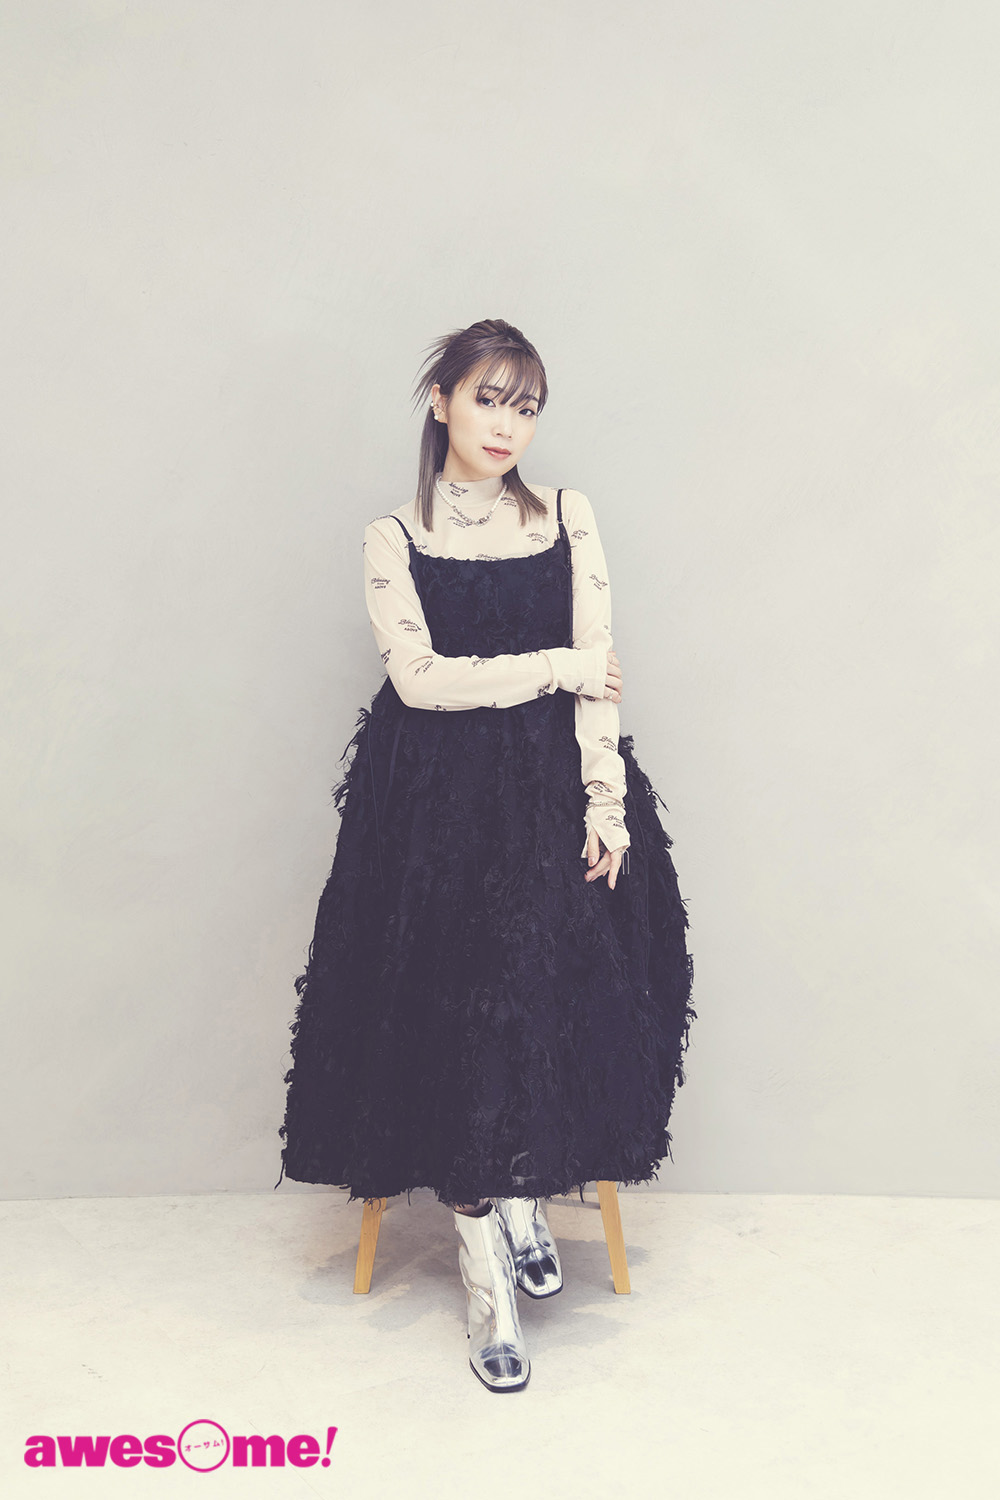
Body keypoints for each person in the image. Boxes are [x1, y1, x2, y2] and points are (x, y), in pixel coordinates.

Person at [274, 318, 695, 1392]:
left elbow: (602, 677)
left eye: (526, 407)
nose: (507, 425)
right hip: (430, 807)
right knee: (459, 995)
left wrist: (605, 804)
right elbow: (420, 683)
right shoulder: (391, 536)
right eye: (488, 399)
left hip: (549, 792)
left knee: (534, 987)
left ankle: (516, 1190)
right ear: (442, 402)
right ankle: (487, 1275)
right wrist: (556, 666)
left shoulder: (566, 515)